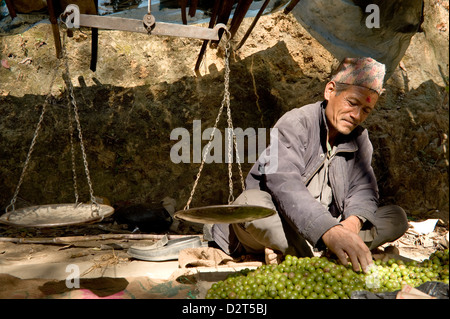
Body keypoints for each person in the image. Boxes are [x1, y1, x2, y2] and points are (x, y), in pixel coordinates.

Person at [210, 57, 409, 273]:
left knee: (396, 217)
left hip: (328, 227)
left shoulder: (359, 139)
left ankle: (306, 252)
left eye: (366, 110)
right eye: (352, 103)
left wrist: (351, 224)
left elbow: (363, 190)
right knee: (249, 204)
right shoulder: (295, 123)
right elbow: (284, 184)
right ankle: (323, 253)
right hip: (281, 223)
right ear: (330, 90)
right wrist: (330, 232)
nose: (357, 116)